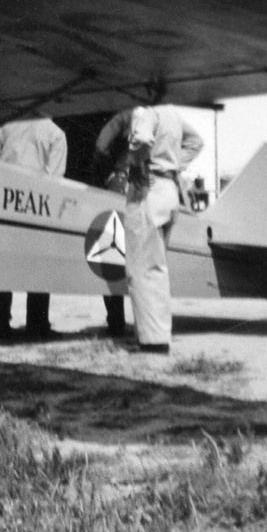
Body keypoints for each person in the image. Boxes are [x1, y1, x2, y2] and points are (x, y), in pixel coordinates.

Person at [123, 104, 204, 354]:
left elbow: (143, 138)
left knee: (140, 268)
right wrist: (173, 166)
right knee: (157, 268)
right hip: (170, 190)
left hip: (148, 189)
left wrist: (139, 165)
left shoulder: (145, 111)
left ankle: (151, 341)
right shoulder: (171, 113)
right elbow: (196, 142)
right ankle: (158, 335)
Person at [0, 115, 67, 339]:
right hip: (37, 207)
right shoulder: (56, 134)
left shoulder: (7, 126)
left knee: (2, 264)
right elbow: (55, 179)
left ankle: (2, 323)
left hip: (6, 203)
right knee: (39, 266)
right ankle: (37, 323)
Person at [92, 109, 133, 339]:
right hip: (145, 185)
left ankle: (116, 321)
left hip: (119, 184)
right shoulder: (158, 117)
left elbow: (100, 145)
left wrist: (106, 173)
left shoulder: (124, 115)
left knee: (112, 255)